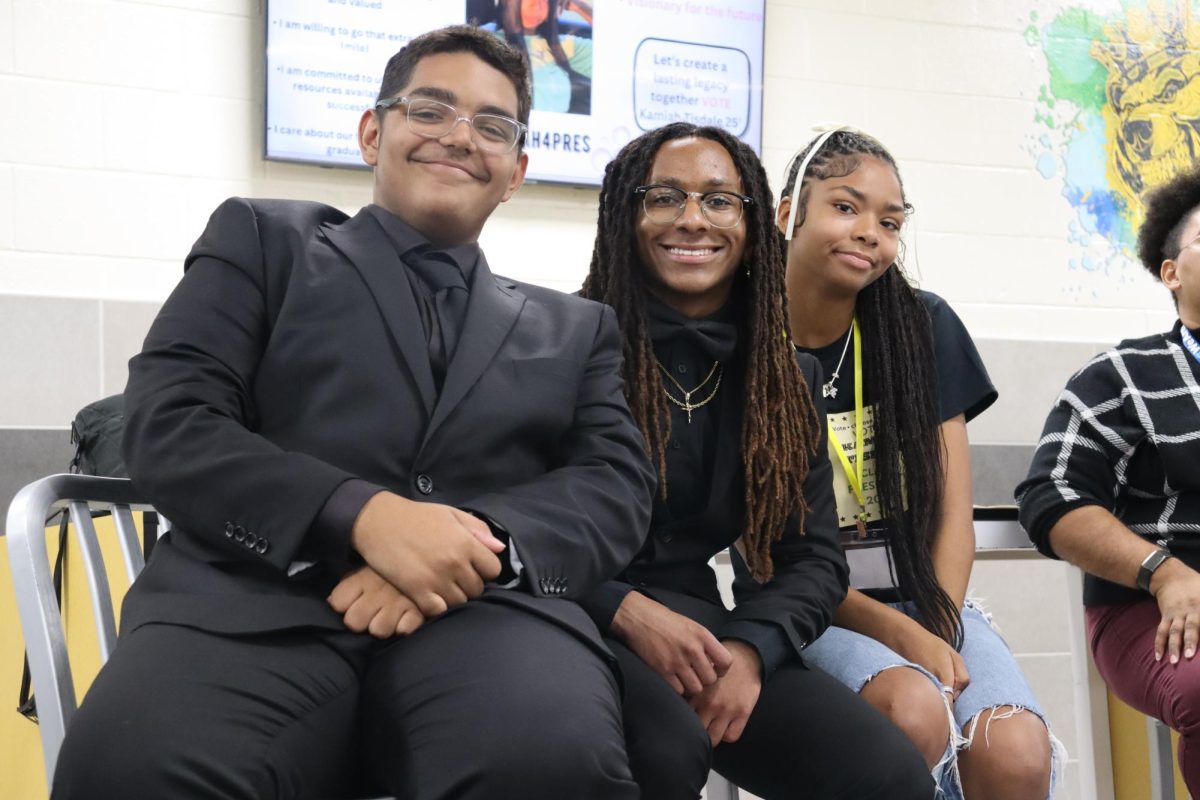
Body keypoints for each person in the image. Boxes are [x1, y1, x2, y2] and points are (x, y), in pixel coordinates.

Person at [51, 26, 655, 800]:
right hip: (249, 613)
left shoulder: (576, 327)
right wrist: (363, 517)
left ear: (515, 172)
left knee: (549, 766)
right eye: (430, 109)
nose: (459, 137)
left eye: (492, 125)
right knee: (132, 773)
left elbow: (615, 485)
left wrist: (473, 545)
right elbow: (173, 421)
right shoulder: (263, 242)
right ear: (373, 132)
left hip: (488, 622)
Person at [578, 122, 934, 800]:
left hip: (700, 631)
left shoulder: (777, 373)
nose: (692, 219)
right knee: (663, 749)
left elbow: (814, 559)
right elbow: (508, 524)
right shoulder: (561, 344)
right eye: (664, 197)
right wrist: (623, 608)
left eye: (718, 200)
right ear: (627, 215)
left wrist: (751, 648)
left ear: (752, 225)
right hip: (576, 612)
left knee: (887, 776)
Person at [774, 128, 1059, 799]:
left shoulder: (918, 327)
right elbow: (770, 558)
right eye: (846, 207)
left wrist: (936, 625)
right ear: (787, 212)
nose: (870, 231)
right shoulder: (745, 345)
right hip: (811, 607)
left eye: (891, 221)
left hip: (928, 597)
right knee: (910, 712)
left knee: (1013, 748)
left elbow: (953, 520)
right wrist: (905, 640)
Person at [1017, 162, 1200, 794]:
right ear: (1171, 273)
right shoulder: (1124, 374)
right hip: (1155, 604)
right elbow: (1053, 499)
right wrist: (1164, 572)